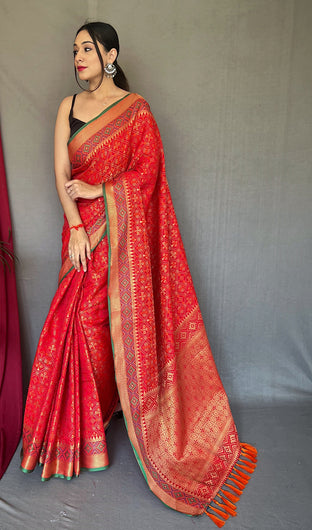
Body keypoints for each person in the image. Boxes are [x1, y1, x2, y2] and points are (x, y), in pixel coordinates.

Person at [21, 22, 256, 526]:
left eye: (87, 48)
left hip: (120, 238)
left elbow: (147, 175)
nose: (78, 56)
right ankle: (80, 433)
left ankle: (114, 415)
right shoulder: (67, 108)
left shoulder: (137, 111)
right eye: (74, 50)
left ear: (110, 54)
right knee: (81, 323)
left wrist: (99, 194)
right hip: (80, 236)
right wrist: (76, 227)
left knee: (111, 328)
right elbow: (61, 176)